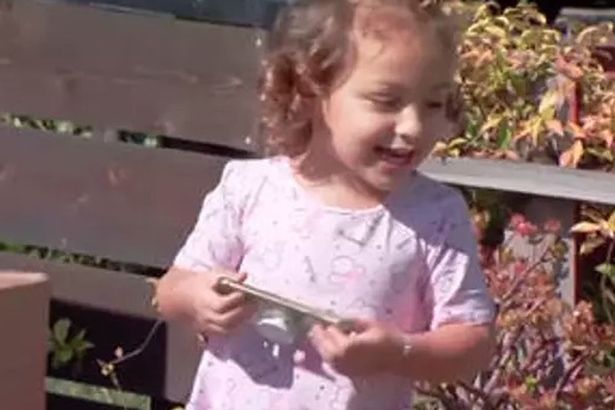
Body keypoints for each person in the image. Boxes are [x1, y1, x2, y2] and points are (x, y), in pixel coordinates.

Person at [155, 0, 496, 409]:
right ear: (311, 91)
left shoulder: (434, 216)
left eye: (434, 104)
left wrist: (397, 352)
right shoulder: (251, 189)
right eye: (387, 101)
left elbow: (473, 343)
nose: (413, 126)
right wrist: (197, 298)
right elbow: (170, 289)